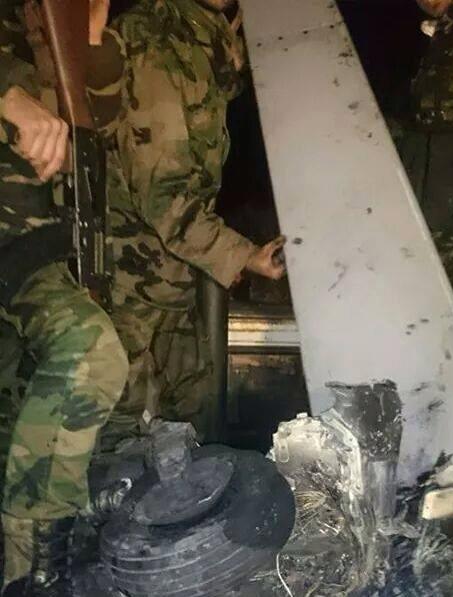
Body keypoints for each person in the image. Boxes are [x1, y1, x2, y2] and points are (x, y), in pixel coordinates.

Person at [104, 0, 285, 445]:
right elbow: (162, 196)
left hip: (174, 274)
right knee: (122, 431)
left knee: (196, 419)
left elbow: (205, 101)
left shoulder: (200, 37)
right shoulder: (153, 40)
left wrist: (229, 55)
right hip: (130, 280)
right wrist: (244, 256)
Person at [0, 1, 129, 594]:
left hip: (30, 248)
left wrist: (89, 44)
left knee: (27, 409)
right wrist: (7, 92)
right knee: (89, 351)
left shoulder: (42, 21)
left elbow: (92, 125)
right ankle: (34, 570)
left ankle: (29, 570)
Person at [396, 0, 453, 233]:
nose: (428, 3)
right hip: (427, 124)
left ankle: (439, 239)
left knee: (439, 210)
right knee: (407, 201)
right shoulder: (448, 23)